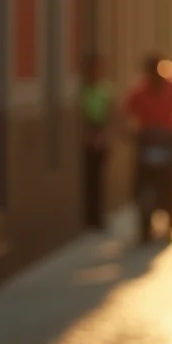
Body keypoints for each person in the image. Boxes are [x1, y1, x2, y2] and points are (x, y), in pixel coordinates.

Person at [122, 54, 172, 241]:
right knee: (140, 180)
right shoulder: (139, 91)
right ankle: (144, 224)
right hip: (147, 142)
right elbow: (124, 114)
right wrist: (131, 134)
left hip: (169, 142)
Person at [80, 53, 114, 230]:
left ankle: (99, 218)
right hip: (87, 137)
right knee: (88, 180)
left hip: (100, 137)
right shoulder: (83, 89)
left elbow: (110, 114)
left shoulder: (104, 89)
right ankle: (89, 218)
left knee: (99, 180)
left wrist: (103, 136)